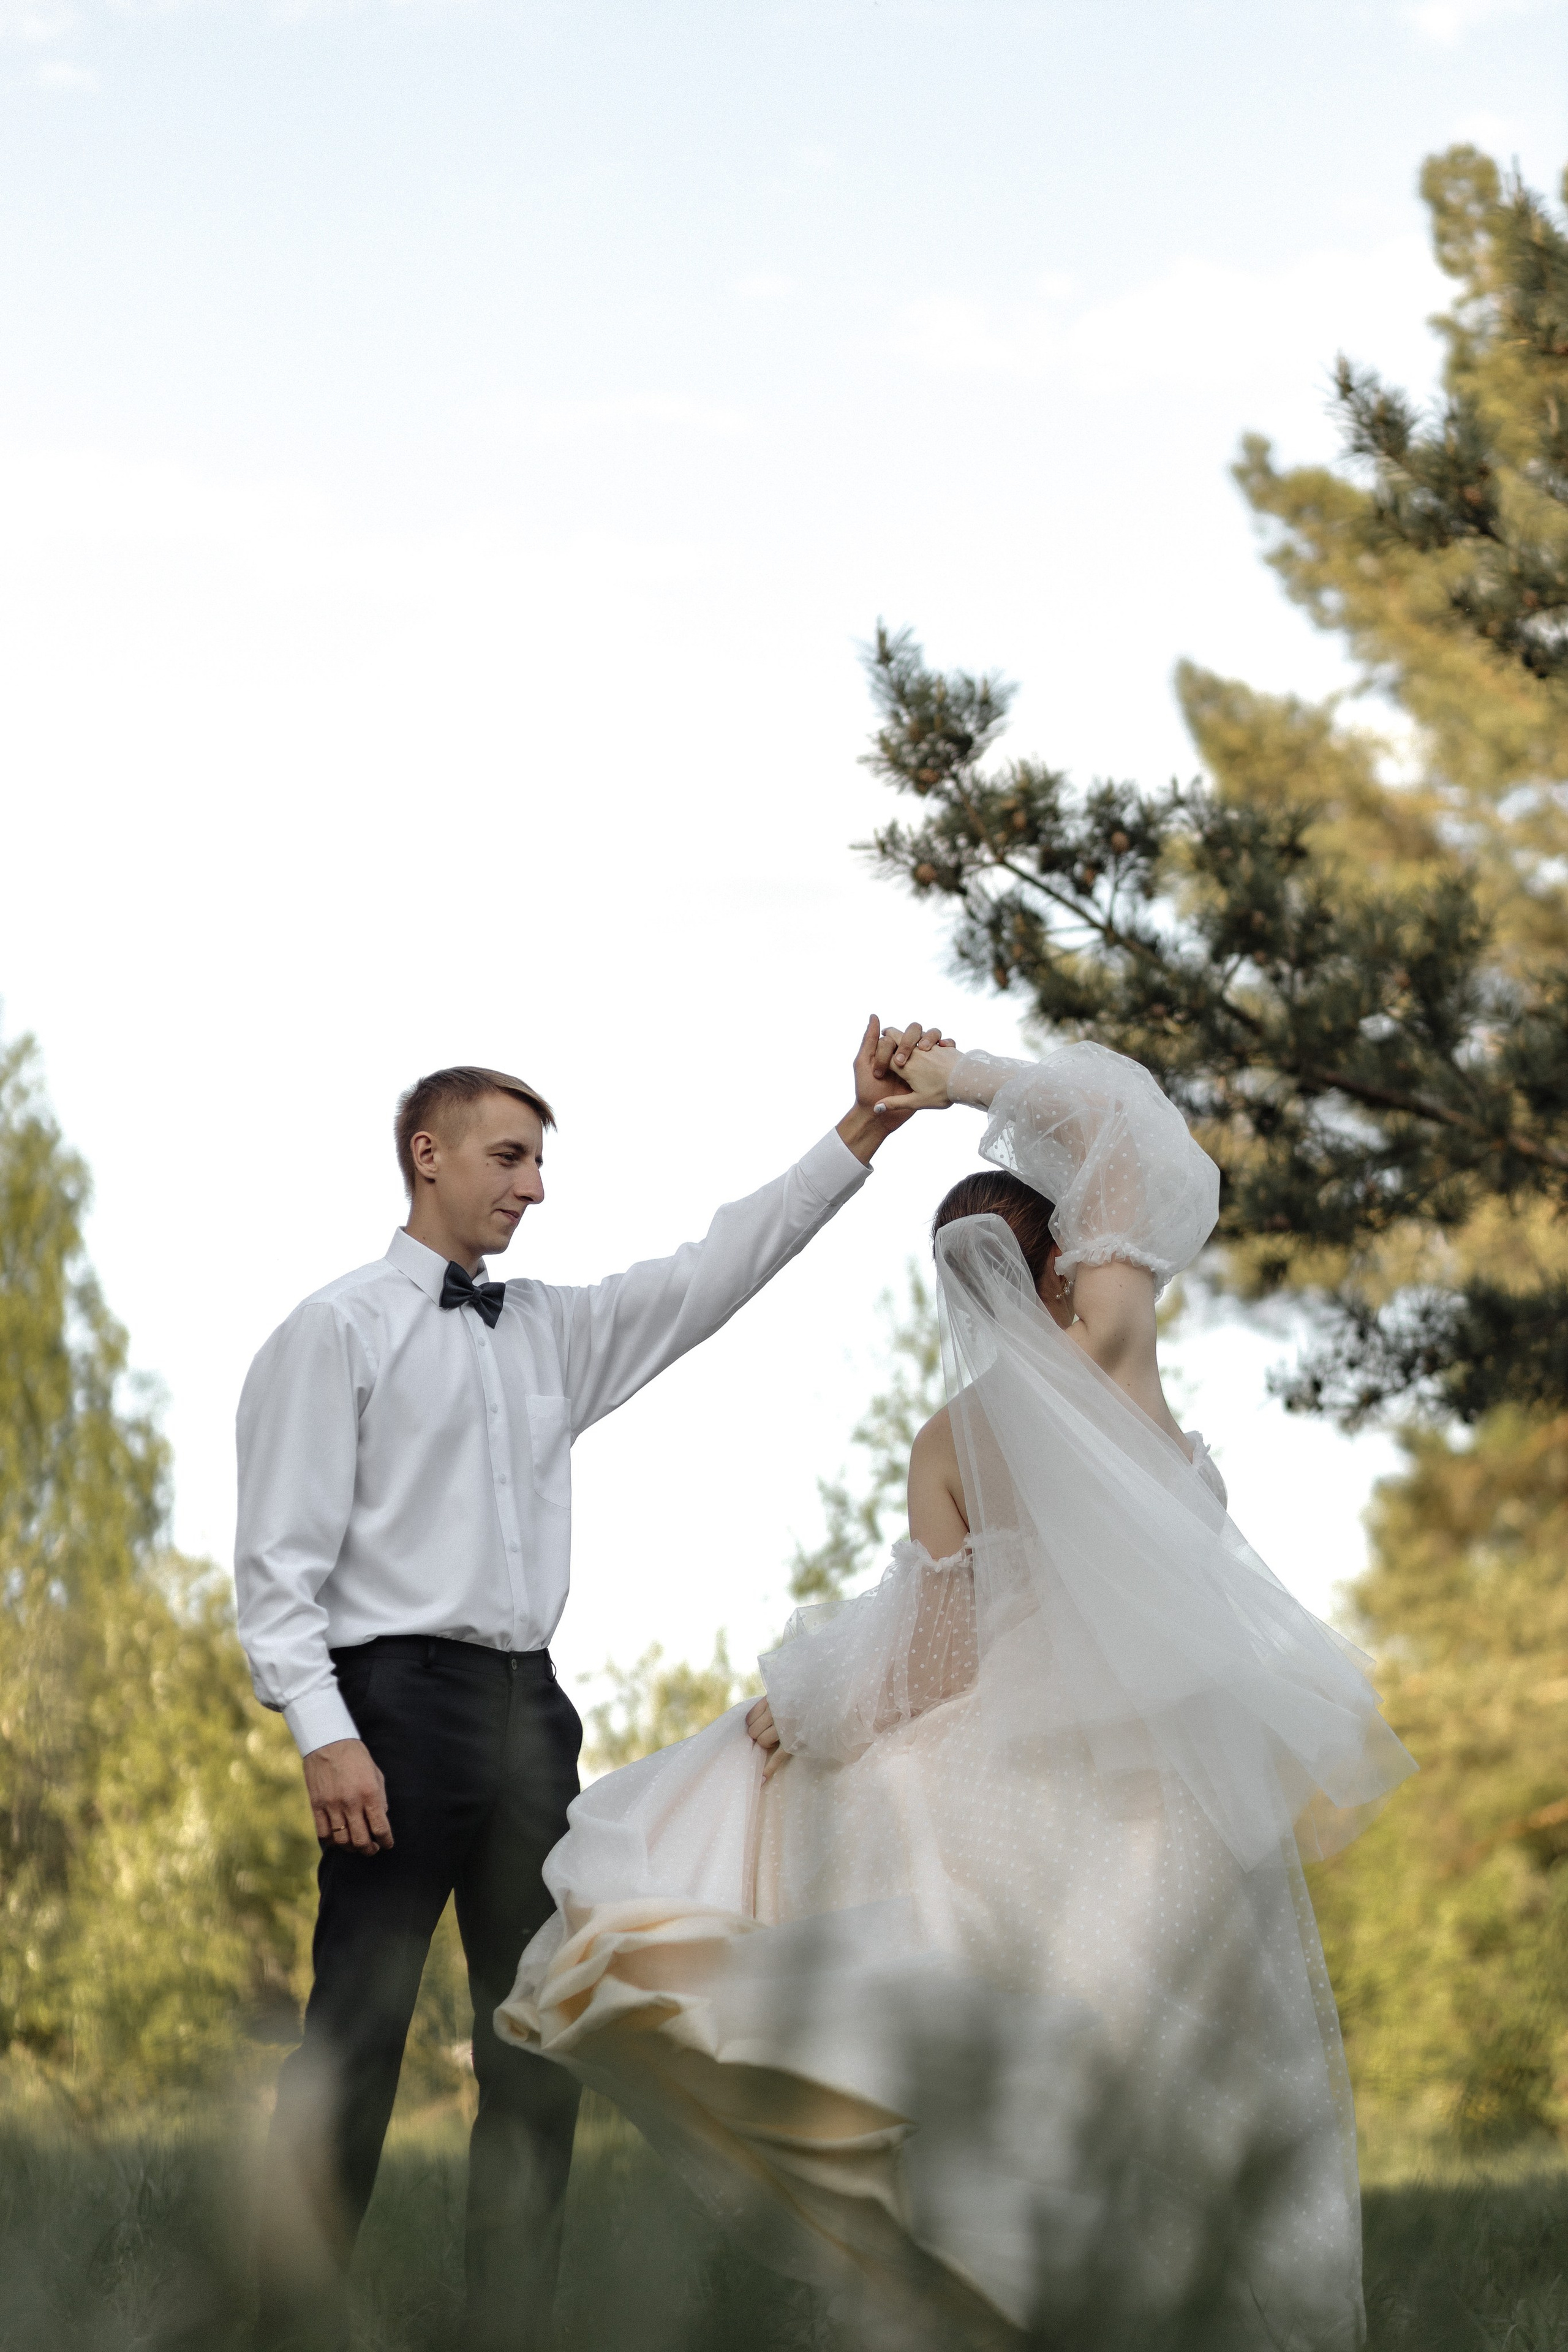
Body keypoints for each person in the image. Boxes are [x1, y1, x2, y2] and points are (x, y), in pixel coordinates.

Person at [497, 1040, 1417, 2350]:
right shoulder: (1120, 1380)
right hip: (1165, 1804)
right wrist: (960, 1080)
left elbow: (929, 1667)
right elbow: (1121, 1132)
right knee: (1186, 2084)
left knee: (1011, 2090)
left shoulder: (955, 1439)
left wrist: (805, 1715)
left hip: (1024, 1801)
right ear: (1075, 1259)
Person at [233, 1017, 950, 2352]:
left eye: (540, 1163)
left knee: (535, 2048)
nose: (534, 1186)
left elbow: (714, 1267)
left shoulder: (552, 1334)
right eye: (509, 1157)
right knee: (355, 2041)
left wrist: (859, 1132)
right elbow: (276, 1565)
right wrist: (325, 1736)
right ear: (426, 1153)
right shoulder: (331, 1332)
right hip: (389, 1712)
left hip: (528, 1720)